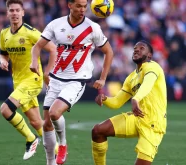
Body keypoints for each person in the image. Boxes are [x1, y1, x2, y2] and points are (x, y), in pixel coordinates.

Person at [30, 0, 114, 164]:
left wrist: (103, 78)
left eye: (85, 6)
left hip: (76, 80)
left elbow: (108, 52)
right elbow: (37, 46)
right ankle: (50, 162)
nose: (82, 10)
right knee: (46, 124)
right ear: (69, 5)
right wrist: (34, 61)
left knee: (55, 113)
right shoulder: (55, 25)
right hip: (56, 79)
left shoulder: (92, 28)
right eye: (78, 6)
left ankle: (63, 144)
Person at [92, 40, 167, 165]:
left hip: (153, 123)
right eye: (135, 48)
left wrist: (135, 98)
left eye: (141, 48)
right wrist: (105, 99)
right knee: (97, 131)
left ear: (149, 55)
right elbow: (117, 102)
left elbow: (148, 84)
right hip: (137, 117)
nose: (136, 50)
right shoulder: (131, 77)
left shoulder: (153, 67)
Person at [0, 0, 56, 160]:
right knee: (37, 123)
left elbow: (52, 49)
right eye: (12, 10)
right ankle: (58, 152)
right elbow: (3, 52)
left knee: (5, 109)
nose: (15, 13)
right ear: (7, 13)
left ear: (23, 12)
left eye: (18, 10)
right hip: (18, 82)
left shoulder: (31, 32)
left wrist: (47, 73)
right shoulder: (4, 34)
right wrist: (2, 60)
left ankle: (31, 139)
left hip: (33, 80)